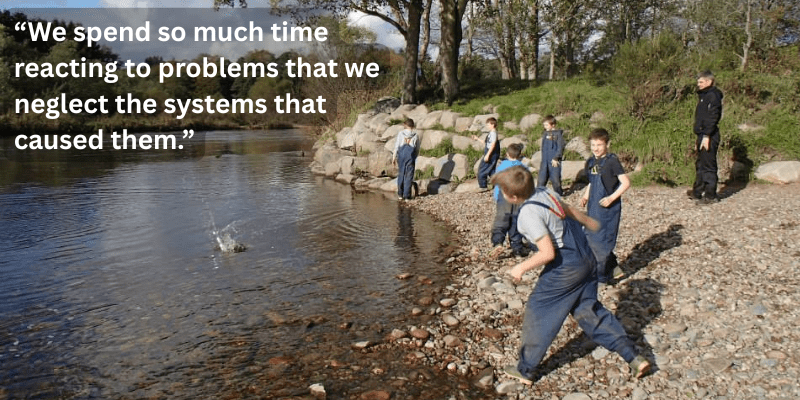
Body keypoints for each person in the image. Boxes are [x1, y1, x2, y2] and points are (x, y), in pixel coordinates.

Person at [490, 166, 650, 385]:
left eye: (502, 190)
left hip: (566, 266)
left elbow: (547, 253)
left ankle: (525, 369)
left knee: (539, 309)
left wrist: (520, 268)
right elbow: (568, 210)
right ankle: (633, 356)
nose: (501, 194)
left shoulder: (527, 213)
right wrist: (589, 222)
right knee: (588, 310)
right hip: (586, 257)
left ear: (514, 196)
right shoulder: (545, 192)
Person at [580, 128, 629, 284]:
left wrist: (611, 198)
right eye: (593, 144)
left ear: (607, 144)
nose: (596, 148)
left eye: (599, 145)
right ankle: (614, 270)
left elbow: (626, 183)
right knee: (589, 238)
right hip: (593, 207)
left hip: (608, 210)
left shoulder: (612, 161)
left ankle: (601, 278)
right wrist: (586, 195)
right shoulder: (591, 161)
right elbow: (592, 181)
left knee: (602, 244)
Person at [689, 70, 723, 204]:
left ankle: (710, 195)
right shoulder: (703, 96)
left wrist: (707, 135)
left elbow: (712, 117)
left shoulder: (713, 96)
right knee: (700, 164)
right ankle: (698, 191)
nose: (699, 84)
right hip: (702, 134)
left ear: (709, 81)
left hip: (710, 134)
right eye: (698, 82)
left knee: (708, 165)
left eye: (701, 82)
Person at [489, 143, 528, 258]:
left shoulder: (502, 166)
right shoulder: (522, 167)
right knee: (515, 223)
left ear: (507, 154)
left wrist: (496, 196)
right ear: (520, 155)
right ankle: (517, 249)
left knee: (501, 221)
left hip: (504, 197)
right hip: (518, 198)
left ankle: (498, 242)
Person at [537, 115, 565, 195]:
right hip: (544, 161)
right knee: (541, 179)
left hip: (554, 161)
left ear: (553, 125)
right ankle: (538, 194)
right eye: (544, 125)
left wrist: (556, 158)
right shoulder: (545, 134)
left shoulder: (558, 134)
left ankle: (559, 195)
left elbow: (560, 147)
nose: (545, 127)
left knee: (555, 179)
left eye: (546, 125)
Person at [392, 118, 420, 200]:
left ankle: (400, 195)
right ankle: (407, 196)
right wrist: (415, 157)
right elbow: (417, 148)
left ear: (405, 125)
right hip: (410, 156)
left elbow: (397, 146)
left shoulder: (401, 133)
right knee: (409, 176)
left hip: (401, 155)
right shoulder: (416, 135)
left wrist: (394, 157)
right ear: (413, 126)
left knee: (401, 174)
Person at [473, 117, 501, 190]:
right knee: (491, 170)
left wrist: (488, 155)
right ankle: (497, 184)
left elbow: (493, 145)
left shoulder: (493, 133)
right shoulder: (491, 133)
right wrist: (477, 139)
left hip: (491, 154)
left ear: (492, 125)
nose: (487, 126)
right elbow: (487, 143)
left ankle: (483, 186)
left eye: (488, 124)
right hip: (490, 152)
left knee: (482, 169)